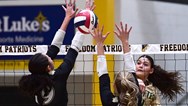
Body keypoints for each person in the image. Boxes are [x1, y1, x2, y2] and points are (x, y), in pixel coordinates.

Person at [19, 0, 84, 105]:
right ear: (48, 67)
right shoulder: (59, 76)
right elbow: (74, 49)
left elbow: (54, 47)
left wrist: (67, 17)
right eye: (48, 58)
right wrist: (84, 26)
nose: (49, 55)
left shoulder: (36, 80)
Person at [115, 22, 184, 106]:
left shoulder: (153, 90)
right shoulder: (126, 81)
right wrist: (125, 41)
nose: (140, 66)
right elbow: (128, 60)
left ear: (151, 70)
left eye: (145, 64)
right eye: (138, 63)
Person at [90, 24, 142, 106]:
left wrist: (99, 44)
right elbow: (102, 74)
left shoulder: (109, 102)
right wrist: (125, 41)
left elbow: (103, 77)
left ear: (114, 86)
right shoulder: (137, 98)